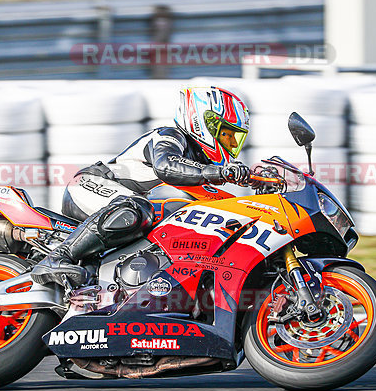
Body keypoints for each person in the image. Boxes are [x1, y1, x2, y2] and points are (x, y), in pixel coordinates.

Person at [31, 86, 253, 288]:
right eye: (227, 134)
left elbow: (217, 201)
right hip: (91, 184)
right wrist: (215, 173)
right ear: (203, 122)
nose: (232, 144)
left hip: (111, 201)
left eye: (235, 139)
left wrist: (254, 182)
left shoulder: (197, 162)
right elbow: (166, 166)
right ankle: (58, 258)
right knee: (138, 208)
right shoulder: (170, 136)